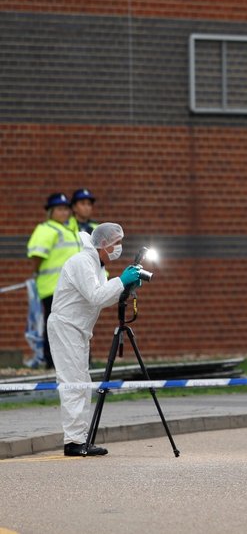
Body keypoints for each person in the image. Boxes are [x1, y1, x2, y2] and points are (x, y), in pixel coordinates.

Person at [48, 222, 143, 456]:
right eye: (116, 243)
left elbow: (103, 296)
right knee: (73, 384)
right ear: (103, 244)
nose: (118, 248)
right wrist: (121, 281)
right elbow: (96, 296)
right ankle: (73, 443)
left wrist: (126, 287)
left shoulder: (97, 267)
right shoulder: (82, 262)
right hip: (66, 327)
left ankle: (80, 440)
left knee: (82, 384)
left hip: (78, 330)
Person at [26, 193, 82, 368]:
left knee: (70, 327)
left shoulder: (68, 229)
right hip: (52, 287)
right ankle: (52, 363)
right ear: (50, 211)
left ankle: (69, 363)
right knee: (55, 327)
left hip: (68, 288)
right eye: (59, 209)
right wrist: (36, 273)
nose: (64, 212)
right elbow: (37, 256)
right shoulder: (46, 229)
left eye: (66, 208)